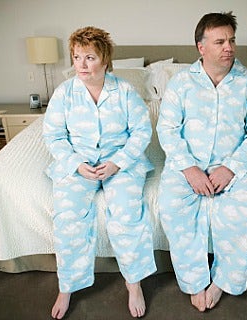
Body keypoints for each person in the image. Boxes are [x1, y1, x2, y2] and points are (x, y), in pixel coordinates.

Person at [156, 12, 247, 312]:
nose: (229, 47)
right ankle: (194, 281)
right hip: (187, 164)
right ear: (201, 47)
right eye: (220, 41)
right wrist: (190, 168)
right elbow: (166, 129)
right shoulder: (181, 83)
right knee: (171, 207)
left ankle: (222, 281)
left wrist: (231, 167)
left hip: (233, 163)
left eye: (232, 40)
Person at [43, 26, 157, 319]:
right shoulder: (64, 93)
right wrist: (76, 164)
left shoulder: (126, 92)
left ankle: (134, 283)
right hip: (78, 164)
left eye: (90, 57)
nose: (81, 64)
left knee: (127, 213)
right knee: (68, 217)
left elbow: (142, 131)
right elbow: (54, 136)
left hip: (120, 163)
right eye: (77, 57)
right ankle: (66, 286)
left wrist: (118, 162)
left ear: (105, 61)